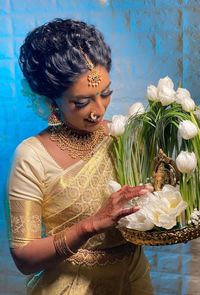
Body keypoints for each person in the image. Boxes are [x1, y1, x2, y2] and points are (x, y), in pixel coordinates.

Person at [7, 18, 154, 294]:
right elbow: (24, 258)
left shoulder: (122, 137)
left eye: (105, 94)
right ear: (52, 100)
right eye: (81, 102)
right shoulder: (31, 156)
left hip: (133, 283)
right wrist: (90, 226)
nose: (99, 110)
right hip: (71, 286)